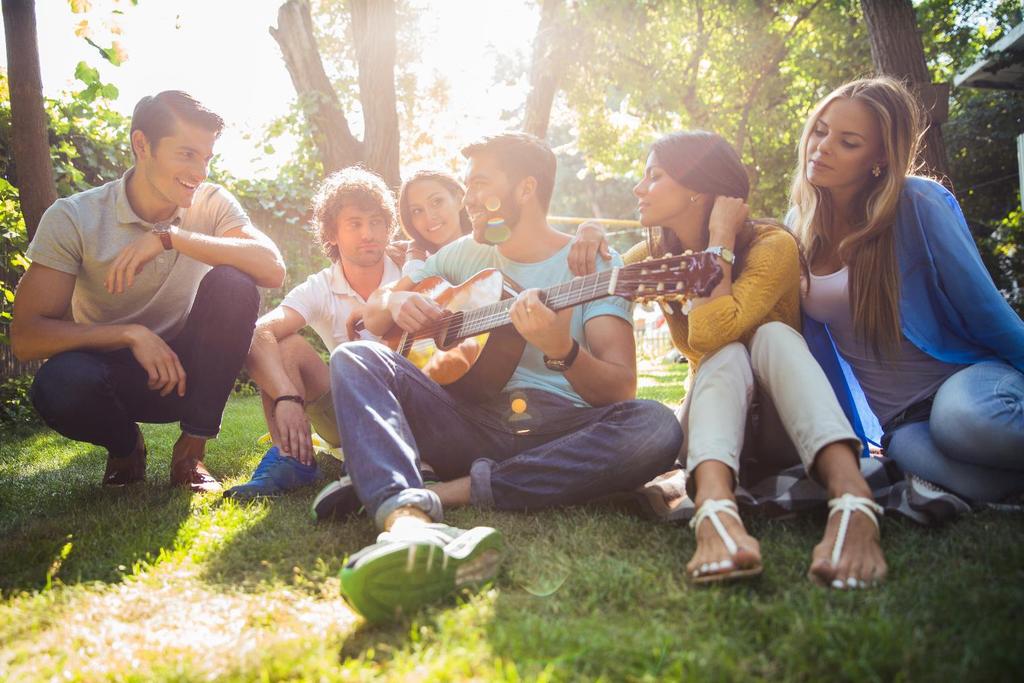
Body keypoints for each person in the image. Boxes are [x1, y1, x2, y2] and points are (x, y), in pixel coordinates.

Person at [331, 132, 683, 622]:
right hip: (469, 420)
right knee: (355, 357)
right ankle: (407, 522)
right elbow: (373, 316)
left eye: (479, 183)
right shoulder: (461, 254)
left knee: (655, 425)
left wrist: (563, 350)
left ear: (525, 189)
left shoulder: (595, 264)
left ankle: (446, 492)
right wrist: (393, 300)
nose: (467, 198)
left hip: (558, 429)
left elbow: (619, 387)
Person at [571, 131, 886, 589]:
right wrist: (588, 233)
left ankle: (852, 500)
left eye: (654, 177)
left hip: (784, 430)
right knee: (727, 353)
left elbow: (711, 332)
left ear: (698, 187)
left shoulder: (772, 247)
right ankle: (716, 509)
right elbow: (605, 268)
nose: (639, 189)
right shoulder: (658, 256)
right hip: (710, 426)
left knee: (770, 336)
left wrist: (719, 240)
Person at [12, 90, 285, 492]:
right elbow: (27, 336)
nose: (200, 172)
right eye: (186, 154)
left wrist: (169, 237)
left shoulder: (210, 203)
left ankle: (191, 452)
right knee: (58, 383)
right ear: (142, 145)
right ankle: (126, 448)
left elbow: (272, 268)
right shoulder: (74, 217)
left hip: (189, 371)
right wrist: (130, 334)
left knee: (235, 283)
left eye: (206, 158)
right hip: (109, 374)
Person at [790, 76, 1024, 503]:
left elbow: (985, 310)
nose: (822, 147)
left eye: (849, 142)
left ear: (880, 156)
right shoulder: (798, 228)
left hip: (967, 383)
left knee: (961, 422)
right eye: (821, 130)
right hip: (902, 422)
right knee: (979, 489)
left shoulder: (918, 202)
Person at [223, 167, 404, 501]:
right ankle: (292, 458)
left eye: (377, 221)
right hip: (349, 413)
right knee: (285, 345)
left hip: (412, 406)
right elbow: (259, 332)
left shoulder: (412, 269)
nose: (369, 233)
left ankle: (388, 458)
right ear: (332, 234)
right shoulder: (321, 286)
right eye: (355, 223)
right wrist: (287, 397)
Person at [396, 168, 473, 278]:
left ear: (459, 199)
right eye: (417, 211)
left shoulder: (491, 252)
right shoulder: (407, 263)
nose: (429, 217)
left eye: (437, 202)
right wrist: (413, 258)